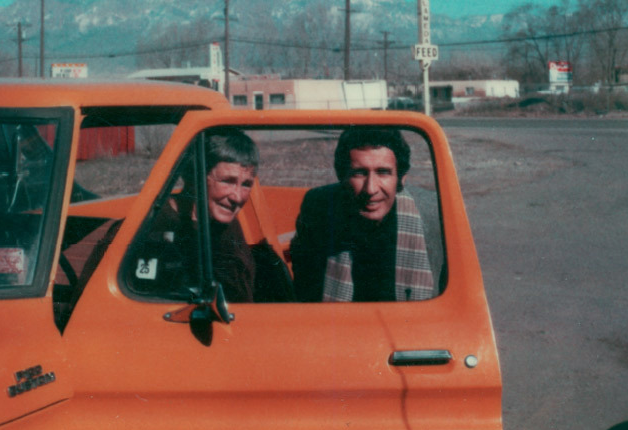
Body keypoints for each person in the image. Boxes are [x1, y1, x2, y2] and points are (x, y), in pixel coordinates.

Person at [289, 127, 436, 302]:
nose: (370, 189)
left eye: (383, 172)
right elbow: (305, 289)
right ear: (341, 176)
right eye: (359, 173)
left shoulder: (432, 215)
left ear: (401, 178)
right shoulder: (318, 207)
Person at [129, 128, 259, 302]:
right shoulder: (149, 228)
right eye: (227, 181)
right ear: (193, 177)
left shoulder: (226, 223)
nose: (237, 197)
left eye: (246, 184)